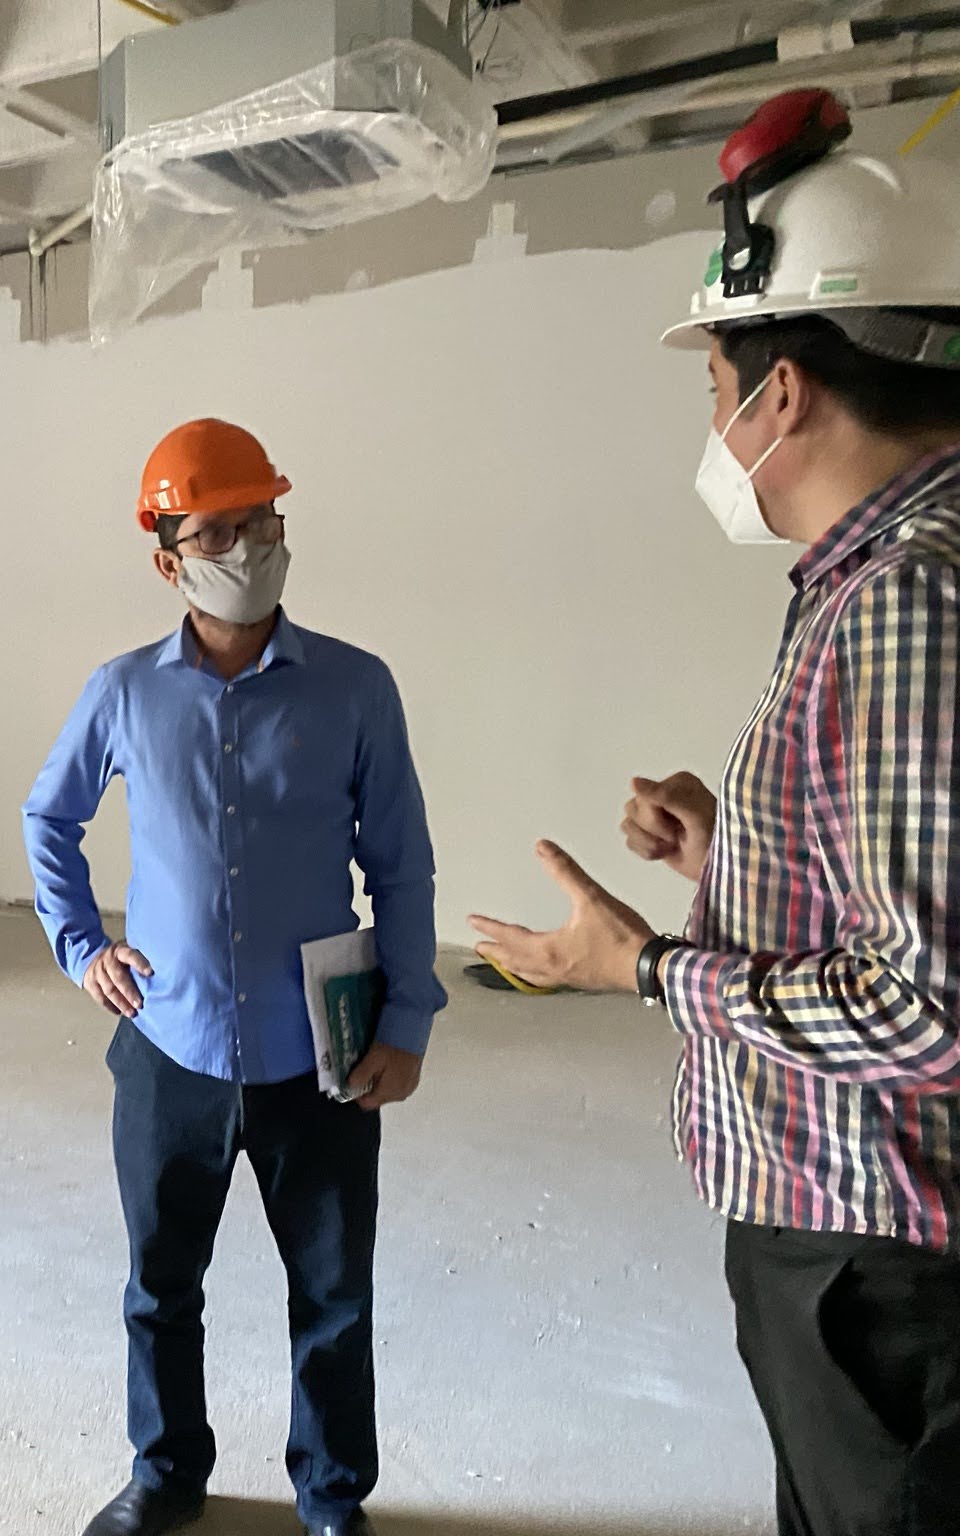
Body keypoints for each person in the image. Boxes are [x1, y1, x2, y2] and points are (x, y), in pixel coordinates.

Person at [471, 89, 960, 1536]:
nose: (714, 426)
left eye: (715, 390)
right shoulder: (891, 573)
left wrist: (643, 968)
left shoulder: (904, 602)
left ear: (782, 393)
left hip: (878, 1258)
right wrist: (739, 846)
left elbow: (929, 1008)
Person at [24, 419, 446, 1536]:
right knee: (160, 1286)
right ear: (168, 561)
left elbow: (400, 864)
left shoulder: (354, 688)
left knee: (333, 1290)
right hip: (171, 1046)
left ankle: (331, 1492)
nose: (248, 545)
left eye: (261, 521)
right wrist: (81, 946)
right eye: (216, 531)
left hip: (321, 1053)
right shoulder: (123, 692)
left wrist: (406, 1018)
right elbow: (49, 819)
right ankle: (165, 1473)